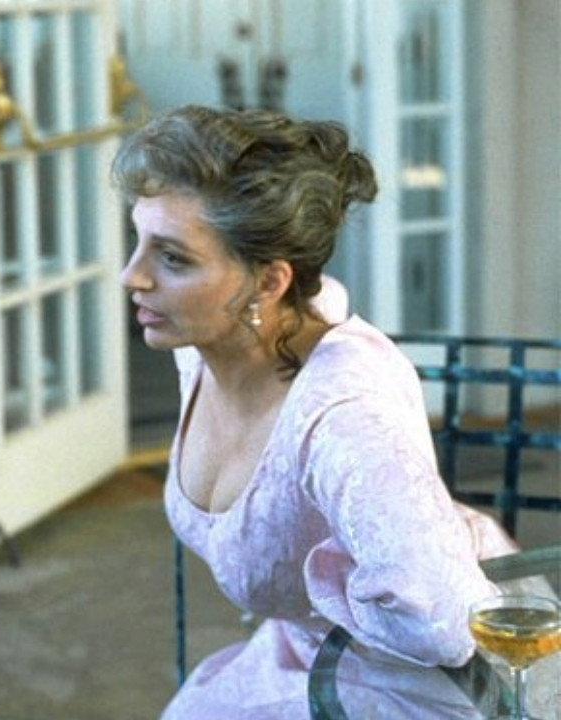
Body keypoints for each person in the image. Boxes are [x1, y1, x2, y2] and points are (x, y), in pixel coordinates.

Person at [112, 105, 522, 718]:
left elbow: (445, 624)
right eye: (139, 241)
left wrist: (329, 578)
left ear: (269, 283)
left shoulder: (345, 414)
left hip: (417, 678)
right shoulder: (206, 344)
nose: (133, 276)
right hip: (302, 648)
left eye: (173, 258)